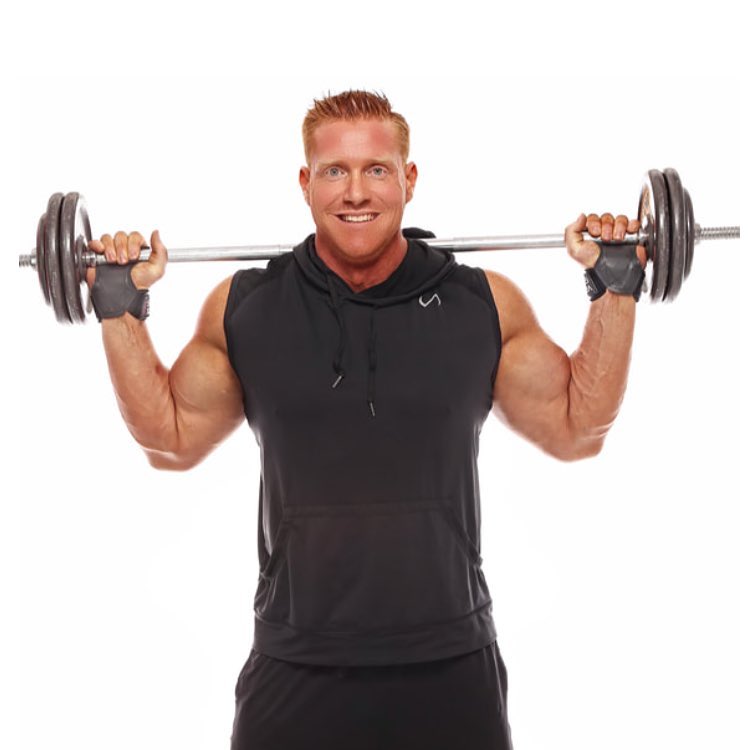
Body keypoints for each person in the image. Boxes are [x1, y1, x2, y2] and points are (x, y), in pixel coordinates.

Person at [85, 90, 646, 750]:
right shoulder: (247, 308)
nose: (356, 192)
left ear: (409, 178)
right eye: (335, 171)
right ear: (306, 183)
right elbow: (171, 441)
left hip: (450, 664)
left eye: (377, 169)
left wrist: (615, 290)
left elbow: (577, 429)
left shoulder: (481, 305)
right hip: (295, 665)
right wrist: (118, 308)